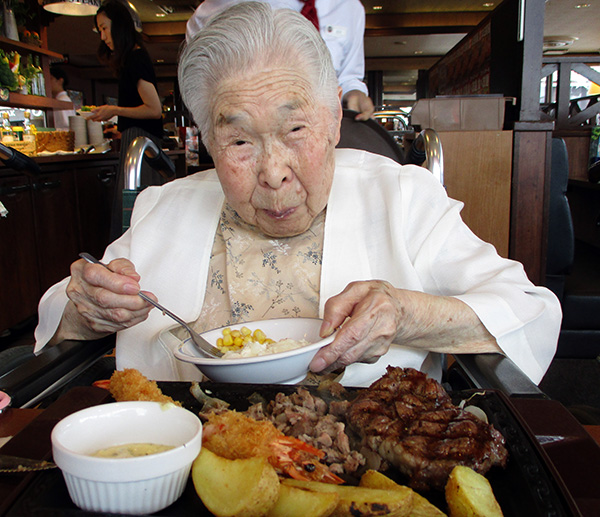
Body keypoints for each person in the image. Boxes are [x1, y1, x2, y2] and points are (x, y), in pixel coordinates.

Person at [34, 2, 561, 387]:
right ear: (206, 142)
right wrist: (88, 311)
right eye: (239, 140)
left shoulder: (401, 197)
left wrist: (407, 313)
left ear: (334, 119)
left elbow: (530, 310)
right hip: (173, 460)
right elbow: (69, 309)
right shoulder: (164, 206)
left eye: (295, 131)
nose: (273, 173)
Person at [185, 0, 375, 121]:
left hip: (323, 132)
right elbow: (198, 84)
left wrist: (354, 92)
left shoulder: (349, 8)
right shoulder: (221, 6)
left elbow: (348, 77)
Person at [88, 0, 164, 240]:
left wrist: (115, 110)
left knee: (136, 212)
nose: (102, 36)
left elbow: (154, 109)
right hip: (136, 140)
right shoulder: (132, 59)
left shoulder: (136, 59)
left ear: (118, 26)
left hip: (141, 144)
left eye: (104, 28)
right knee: (136, 213)